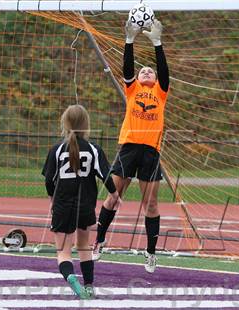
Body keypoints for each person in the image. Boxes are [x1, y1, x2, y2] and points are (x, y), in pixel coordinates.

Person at [92, 19, 169, 274]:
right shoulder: (132, 89)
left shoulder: (160, 92)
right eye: (143, 70)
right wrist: (129, 40)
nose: (147, 72)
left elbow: (164, 72)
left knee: (151, 204)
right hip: (128, 147)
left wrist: (157, 43)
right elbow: (126, 69)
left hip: (150, 152)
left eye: (151, 71)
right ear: (136, 78)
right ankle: (99, 241)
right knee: (113, 196)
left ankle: (150, 253)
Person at [42, 104, 121, 299]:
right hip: (85, 204)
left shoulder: (57, 150)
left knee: (63, 251)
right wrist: (114, 195)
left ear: (65, 123)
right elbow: (106, 176)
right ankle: (89, 285)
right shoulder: (94, 149)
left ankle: (71, 278)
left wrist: (53, 198)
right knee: (84, 245)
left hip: (62, 204)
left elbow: (48, 180)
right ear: (86, 125)